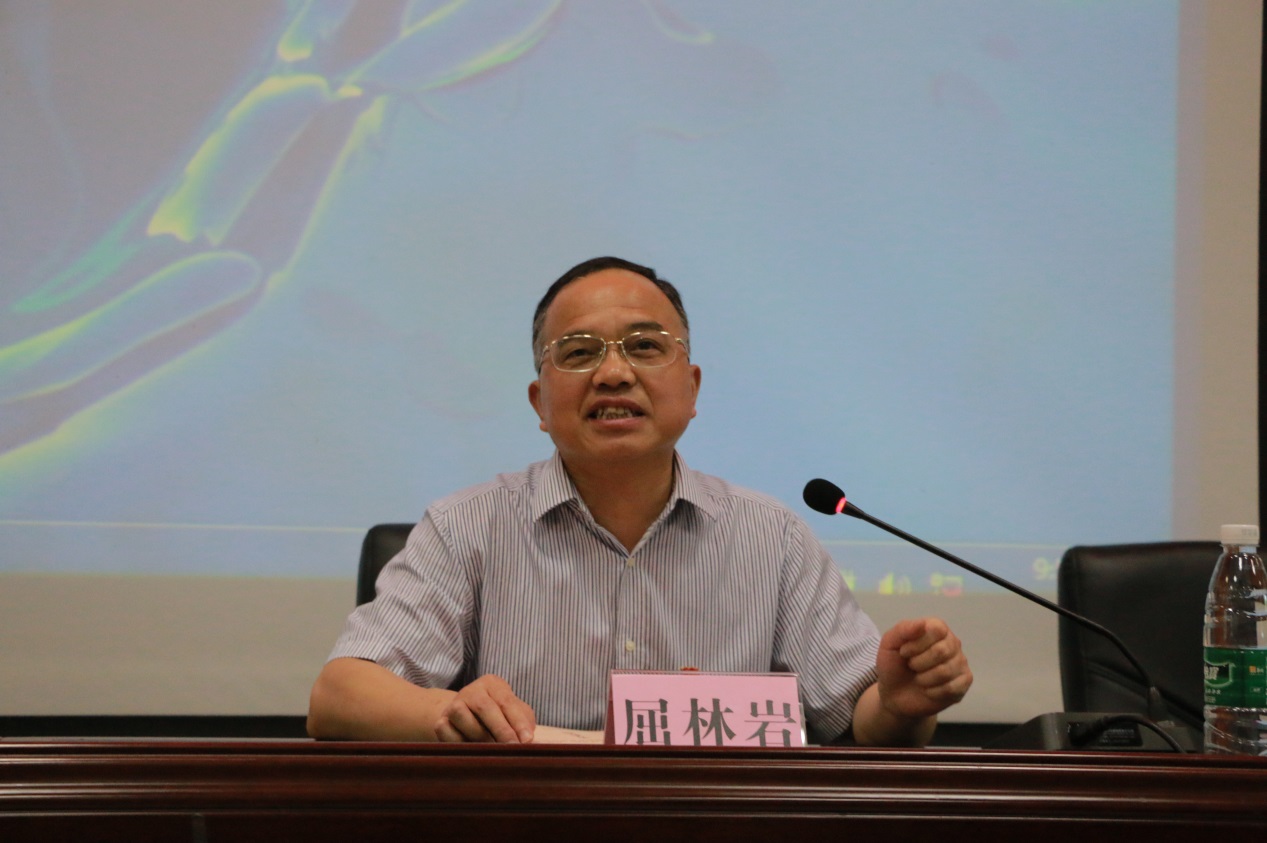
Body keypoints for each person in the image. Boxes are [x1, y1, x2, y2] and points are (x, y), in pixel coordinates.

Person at [307, 256, 972, 745]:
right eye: (578, 352)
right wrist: (450, 713)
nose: (614, 372)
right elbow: (338, 697)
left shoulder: (770, 537)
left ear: (691, 386)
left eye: (645, 347)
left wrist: (900, 704)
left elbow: (858, 724)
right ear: (540, 402)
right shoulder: (466, 528)